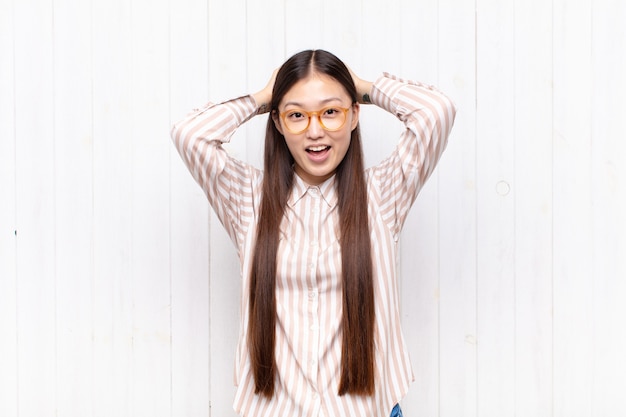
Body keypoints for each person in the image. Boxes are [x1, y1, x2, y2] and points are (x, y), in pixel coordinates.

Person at [171, 49, 456, 417]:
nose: (315, 130)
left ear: (354, 115)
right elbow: (189, 134)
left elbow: (437, 112)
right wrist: (262, 98)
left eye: (331, 112)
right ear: (277, 123)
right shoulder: (248, 200)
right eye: (296, 116)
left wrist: (364, 88)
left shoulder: (383, 194)